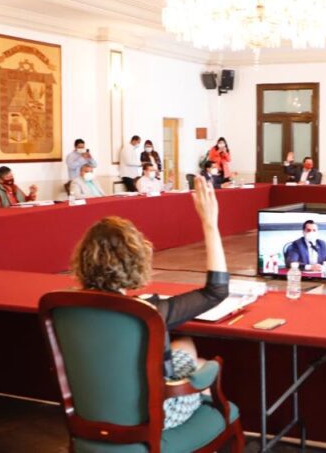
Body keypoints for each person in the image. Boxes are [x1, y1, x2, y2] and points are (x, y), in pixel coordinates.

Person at [70, 177, 228, 429]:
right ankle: (206, 431)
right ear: (137, 257)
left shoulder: (68, 308)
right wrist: (210, 223)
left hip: (91, 408)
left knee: (184, 344)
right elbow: (216, 291)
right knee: (204, 366)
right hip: (150, 415)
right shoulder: (146, 311)